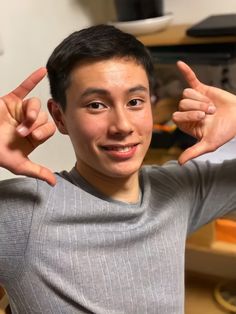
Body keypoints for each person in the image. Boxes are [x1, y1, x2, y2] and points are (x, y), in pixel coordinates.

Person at [0, 24, 235, 314]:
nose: (123, 126)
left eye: (135, 102)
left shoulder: (178, 190)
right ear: (59, 117)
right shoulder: (25, 214)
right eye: (97, 105)